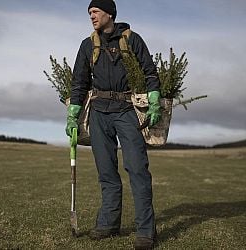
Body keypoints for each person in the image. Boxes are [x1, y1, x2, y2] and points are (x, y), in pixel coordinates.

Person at [65, 0, 161, 249]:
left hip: (127, 111)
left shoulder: (132, 40)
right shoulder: (88, 45)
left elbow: (150, 72)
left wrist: (153, 101)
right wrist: (73, 114)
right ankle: (108, 224)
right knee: (106, 172)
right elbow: (79, 83)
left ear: (109, 13)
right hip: (98, 112)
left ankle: (145, 231)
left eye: (95, 11)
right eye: (89, 13)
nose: (91, 16)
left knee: (137, 169)